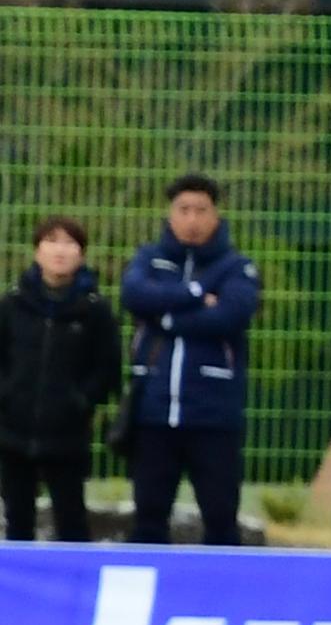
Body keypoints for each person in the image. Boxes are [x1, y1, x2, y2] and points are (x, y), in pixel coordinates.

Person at [119, 172, 262, 545]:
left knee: (219, 518)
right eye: (184, 209)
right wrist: (197, 292)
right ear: (170, 215)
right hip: (154, 413)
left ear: (216, 215)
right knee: (148, 518)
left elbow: (230, 314)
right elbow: (135, 295)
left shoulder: (236, 267)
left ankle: (222, 598)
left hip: (213, 417)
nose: (193, 219)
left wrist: (165, 316)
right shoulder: (150, 257)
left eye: (201, 210)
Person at [3, 216, 120, 542]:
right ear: (37, 250)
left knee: (71, 520)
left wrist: (80, 402)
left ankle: (75, 587)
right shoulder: (12, 304)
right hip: (13, 432)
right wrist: (8, 395)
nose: (60, 250)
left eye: (70, 243)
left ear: (81, 254)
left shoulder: (95, 310)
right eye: (52, 240)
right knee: (17, 521)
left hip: (68, 434)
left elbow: (107, 368)